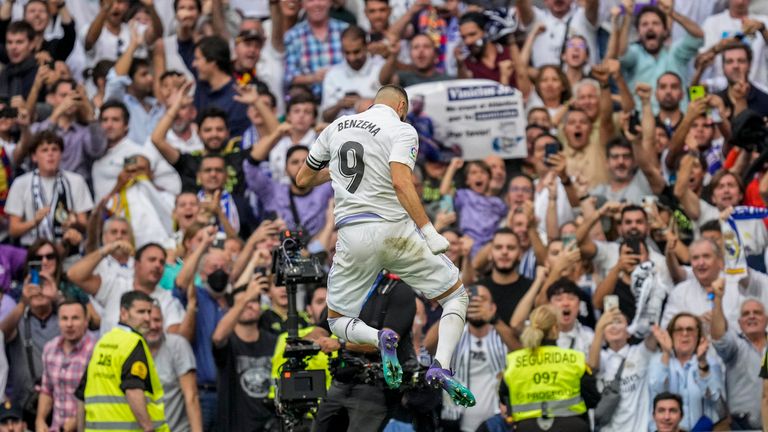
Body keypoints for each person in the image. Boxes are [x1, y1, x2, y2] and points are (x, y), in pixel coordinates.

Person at [295, 85, 475, 406]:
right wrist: (429, 230)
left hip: (352, 235)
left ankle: (380, 338)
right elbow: (400, 181)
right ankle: (442, 366)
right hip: (396, 232)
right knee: (455, 298)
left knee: (337, 321)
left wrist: (334, 171)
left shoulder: (335, 127)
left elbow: (302, 180)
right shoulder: (402, 129)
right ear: (401, 106)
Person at [78, 291, 169, 432]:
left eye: (149, 312)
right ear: (124, 313)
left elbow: (82, 395)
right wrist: (148, 427)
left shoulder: (103, 342)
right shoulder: (133, 343)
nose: (147, 318)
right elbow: (133, 390)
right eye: (140, 312)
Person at [503, 305, 599, 432]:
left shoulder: (515, 361)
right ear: (555, 328)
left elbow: (504, 396)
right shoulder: (574, 359)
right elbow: (593, 398)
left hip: (527, 428)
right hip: (571, 427)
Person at [66, 242, 185, 335]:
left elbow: (174, 338)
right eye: (152, 260)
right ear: (136, 264)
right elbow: (74, 275)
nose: (157, 265)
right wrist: (107, 250)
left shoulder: (168, 299)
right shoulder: (115, 286)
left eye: (162, 262)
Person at [211, 274, 277, 431]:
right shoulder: (228, 342)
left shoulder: (274, 341)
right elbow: (218, 337)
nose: (248, 305)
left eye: (254, 301)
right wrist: (246, 297)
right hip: (236, 426)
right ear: (233, 309)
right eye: (243, 302)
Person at [5, 131, 93, 247]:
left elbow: (86, 226)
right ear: (34, 157)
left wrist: (74, 223)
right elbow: (13, 230)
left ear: (61, 154)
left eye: (55, 149)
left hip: (68, 249)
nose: (50, 154)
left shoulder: (76, 181)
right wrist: (34, 222)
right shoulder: (21, 183)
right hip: (33, 251)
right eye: (44, 150)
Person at [649, 313, 725, 430]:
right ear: (671, 335)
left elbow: (719, 406)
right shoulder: (658, 361)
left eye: (690, 330)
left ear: (698, 335)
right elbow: (656, 391)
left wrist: (702, 363)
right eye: (679, 329)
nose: (685, 334)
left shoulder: (710, 362)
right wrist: (666, 352)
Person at [712, 282, 766, 430]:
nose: (752, 316)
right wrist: (717, 298)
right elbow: (719, 338)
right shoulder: (736, 346)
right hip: (741, 427)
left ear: (766, 319)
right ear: (740, 323)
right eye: (746, 314)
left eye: (757, 312)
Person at [35, 300, 95, 432]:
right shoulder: (50, 348)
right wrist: (40, 419)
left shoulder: (96, 349)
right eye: (64, 318)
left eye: (75, 318)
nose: (69, 324)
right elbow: (46, 390)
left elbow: (99, 395)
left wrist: (78, 418)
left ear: (86, 320)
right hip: (57, 427)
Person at [145, 304, 202, 432]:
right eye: (148, 322)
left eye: (157, 320)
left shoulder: (177, 345)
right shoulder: (129, 349)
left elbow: (191, 396)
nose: (153, 326)